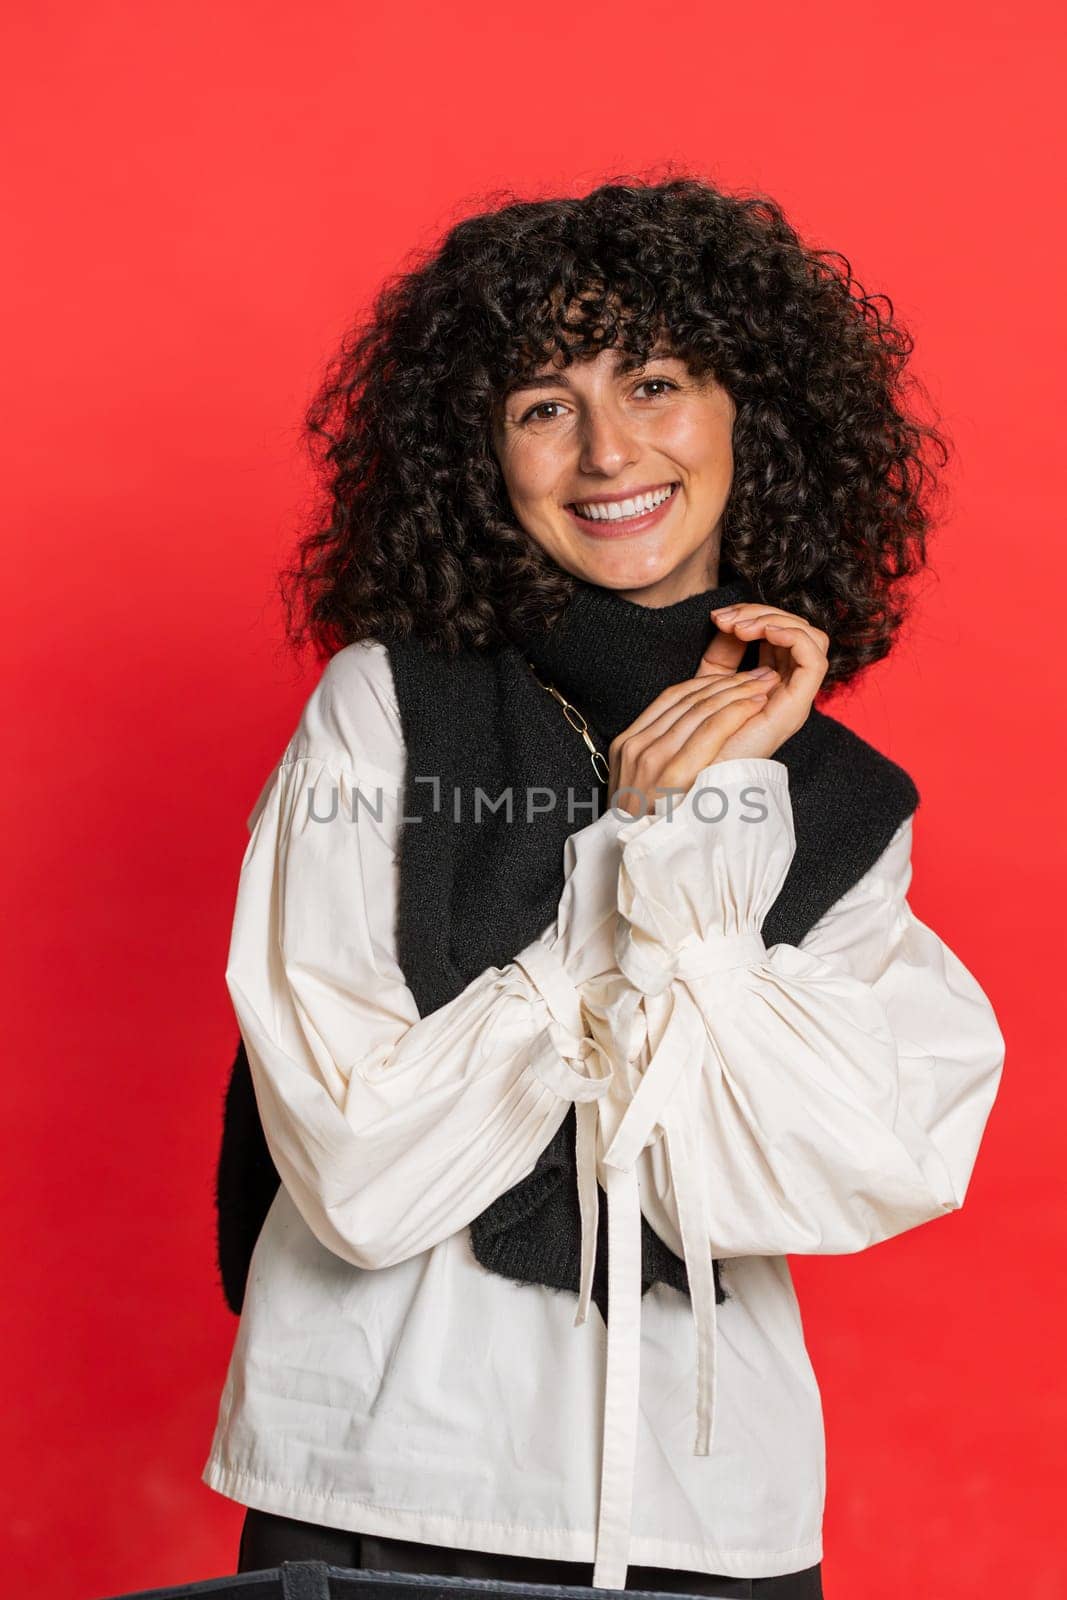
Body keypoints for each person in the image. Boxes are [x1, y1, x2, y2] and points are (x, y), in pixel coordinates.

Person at [203, 175, 1005, 1598]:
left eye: (653, 381)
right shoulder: (386, 711)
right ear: (480, 459)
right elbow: (366, 1174)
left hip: (717, 1503)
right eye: (540, 405)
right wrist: (633, 855)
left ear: (752, 417)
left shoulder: (839, 803)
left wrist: (720, 803)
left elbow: (827, 1164)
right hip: (398, 1471)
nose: (608, 449)